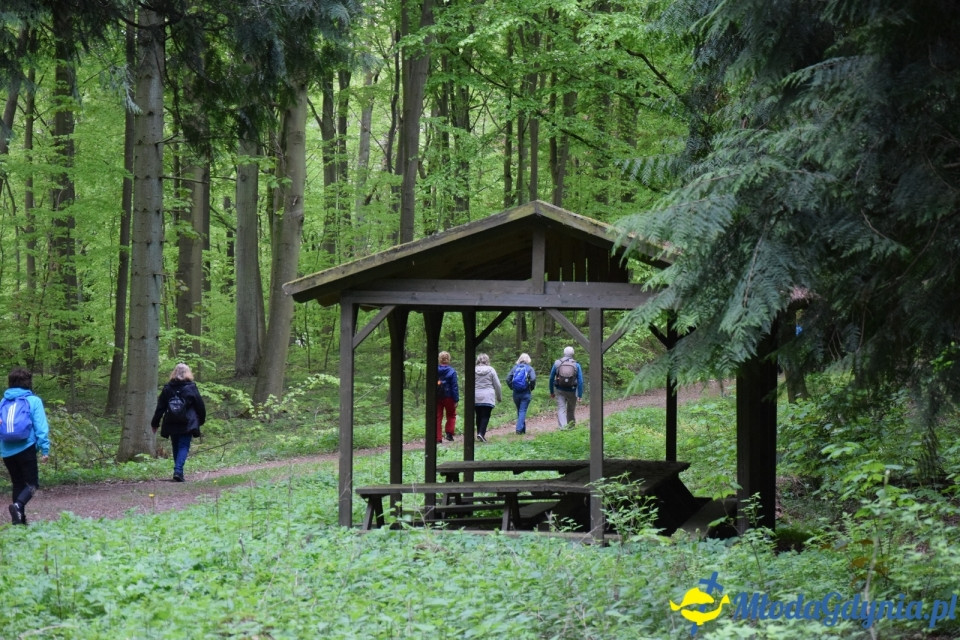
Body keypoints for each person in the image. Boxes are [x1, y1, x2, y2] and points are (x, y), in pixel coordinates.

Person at [1, 368, 50, 525]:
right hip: (26, 447)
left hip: (7, 449)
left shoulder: (3, 401)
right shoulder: (33, 401)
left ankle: (19, 522)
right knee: (32, 484)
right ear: (28, 382)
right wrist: (45, 449)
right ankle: (18, 506)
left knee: (17, 483)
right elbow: (40, 427)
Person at [151, 363, 206, 482]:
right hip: (187, 422)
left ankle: (178, 471)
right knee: (183, 446)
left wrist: (155, 423)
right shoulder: (191, 387)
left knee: (176, 446)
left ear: (174, 373)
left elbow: (160, 407)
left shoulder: (167, 388)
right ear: (188, 373)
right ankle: (178, 471)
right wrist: (201, 420)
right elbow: (200, 406)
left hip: (171, 421)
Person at [549, 346, 583, 429]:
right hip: (572, 390)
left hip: (560, 390)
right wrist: (580, 395)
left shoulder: (557, 363)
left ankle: (563, 428)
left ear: (564, 353)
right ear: (573, 354)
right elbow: (580, 381)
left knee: (561, 409)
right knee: (570, 410)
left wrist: (552, 392)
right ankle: (571, 427)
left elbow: (551, 378)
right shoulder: (576, 365)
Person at [473, 353, 502, 443]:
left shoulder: (473, 370)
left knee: (478, 415)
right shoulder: (491, 370)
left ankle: (479, 433)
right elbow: (497, 384)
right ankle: (481, 434)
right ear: (487, 360)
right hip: (488, 396)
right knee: (485, 415)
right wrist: (499, 397)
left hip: (476, 395)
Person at [506, 353, 536, 435]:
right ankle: (519, 429)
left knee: (520, 411)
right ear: (528, 360)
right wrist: (531, 387)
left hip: (516, 393)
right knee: (522, 411)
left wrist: (512, 387)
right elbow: (533, 379)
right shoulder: (529, 368)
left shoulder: (515, 368)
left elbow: (508, 379)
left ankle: (523, 430)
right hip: (526, 392)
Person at [436, 351, 459, 443]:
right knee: (451, 415)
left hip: (437, 396)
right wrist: (456, 399)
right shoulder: (452, 371)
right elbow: (454, 386)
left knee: (438, 417)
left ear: (439, 359)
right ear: (448, 359)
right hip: (449, 396)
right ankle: (449, 434)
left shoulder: (435, 370)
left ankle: (438, 438)